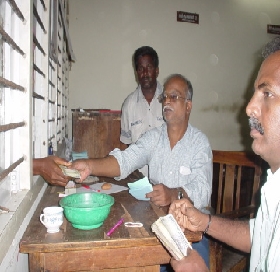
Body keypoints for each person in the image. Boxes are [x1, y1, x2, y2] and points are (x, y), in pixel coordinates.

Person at [71, 73, 213, 268]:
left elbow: (203, 190)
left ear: (188, 105)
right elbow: (126, 160)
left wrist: (174, 194)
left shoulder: (199, 143)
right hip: (157, 223)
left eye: (174, 96)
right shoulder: (153, 137)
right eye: (165, 97)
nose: (167, 102)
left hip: (191, 230)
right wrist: (90, 165)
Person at [169, 36, 280, 272]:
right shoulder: (274, 182)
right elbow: (259, 235)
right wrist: (204, 221)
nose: (249, 107)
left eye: (267, 93)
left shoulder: (199, 141)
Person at [120, 46, 165, 177]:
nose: (145, 73)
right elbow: (125, 144)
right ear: (136, 73)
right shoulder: (129, 105)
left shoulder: (170, 100)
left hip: (167, 177)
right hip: (139, 178)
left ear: (157, 71)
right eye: (140, 68)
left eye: (149, 67)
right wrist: (130, 173)